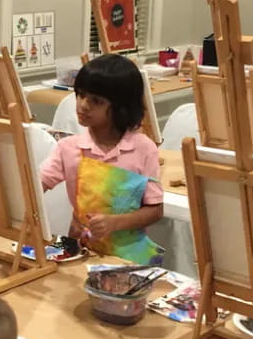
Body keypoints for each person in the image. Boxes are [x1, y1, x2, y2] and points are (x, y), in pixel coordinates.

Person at [40, 54, 164, 266]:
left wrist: (115, 223)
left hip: (129, 259)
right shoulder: (68, 148)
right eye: (80, 95)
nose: (83, 105)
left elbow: (155, 210)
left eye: (96, 101)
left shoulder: (144, 149)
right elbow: (34, 186)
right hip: (81, 253)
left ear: (121, 107)